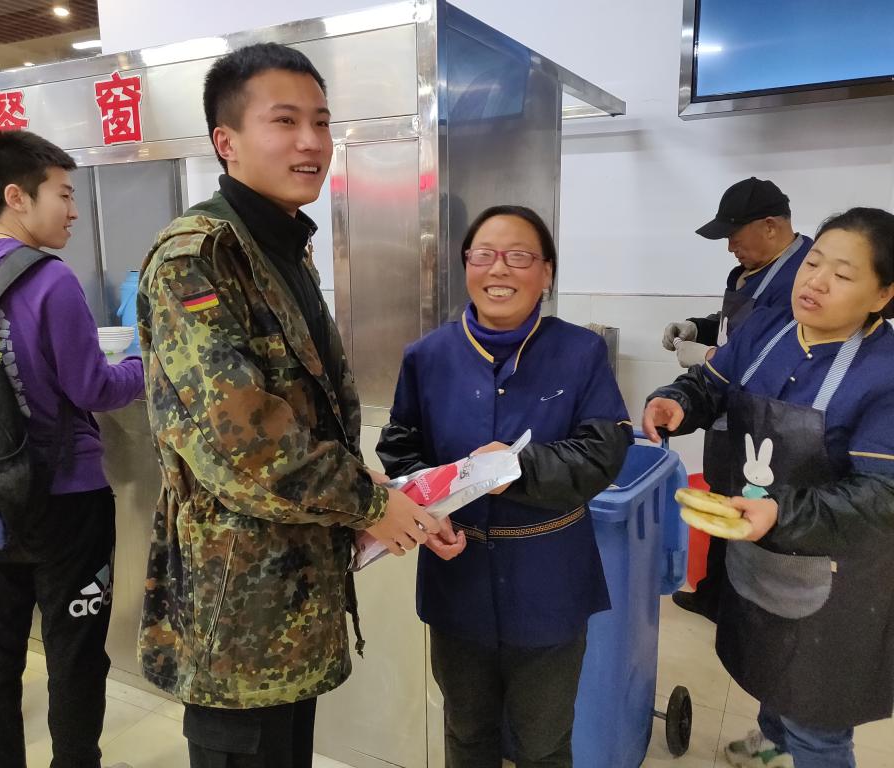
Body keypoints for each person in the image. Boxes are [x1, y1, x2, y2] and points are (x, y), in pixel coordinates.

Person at [137, 42, 440, 768]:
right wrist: (368, 505)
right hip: (236, 609)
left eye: (321, 122)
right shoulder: (198, 258)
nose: (311, 141)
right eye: (285, 121)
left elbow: (304, 410)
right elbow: (241, 441)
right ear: (227, 141)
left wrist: (365, 488)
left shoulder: (280, 246)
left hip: (291, 598)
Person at [0, 131, 143, 768]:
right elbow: (93, 388)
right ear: (16, 197)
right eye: (63, 195)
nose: (73, 211)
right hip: (62, 498)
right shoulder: (50, 280)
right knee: (74, 650)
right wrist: (145, 364)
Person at [377, 205, 633, 768]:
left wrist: (517, 466)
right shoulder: (427, 356)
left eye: (519, 256)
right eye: (484, 255)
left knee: (542, 743)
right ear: (465, 265)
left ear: (546, 273)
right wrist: (429, 512)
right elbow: (400, 449)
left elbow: (603, 452)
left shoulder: (580, 352)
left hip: (549, 579)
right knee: (467, 733)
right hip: (457, 576)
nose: (499, 269)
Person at [644, 207, 894, 768]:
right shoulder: (767, 329)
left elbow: (883, 496)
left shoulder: (885, 374)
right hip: (758, 554)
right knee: (769, 666)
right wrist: (677, 402)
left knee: (817, 720)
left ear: (883, 294)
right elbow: (710, 384)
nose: (816, 282)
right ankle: (772, 741)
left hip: (838, 579)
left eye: (843, 274)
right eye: (813, 262)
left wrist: (780, 513)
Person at [661, 177, 812, 621]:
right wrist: (700, 327)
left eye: (734, 235)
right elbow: (738, 324)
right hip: (728, 405)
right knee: (722, 492)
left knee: (749, 500)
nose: (730, 247)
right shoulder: (752, 269)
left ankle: (740, 605)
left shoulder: (801, 276)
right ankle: (713, 594)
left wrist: (708, 358)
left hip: (767, 415)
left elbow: (775, 350)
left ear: (770, 226)